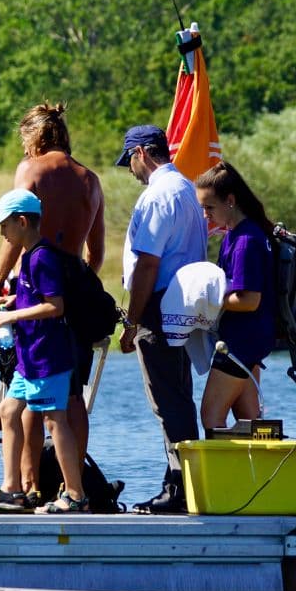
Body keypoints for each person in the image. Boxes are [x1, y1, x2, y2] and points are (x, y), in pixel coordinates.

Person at [0, 102, 105, 505]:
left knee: (36, 397)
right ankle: (75, 486)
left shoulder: (30, 171)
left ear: (34, 137)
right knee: (71, 397)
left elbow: (12, 236)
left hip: (37, 290)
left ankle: (30, 485)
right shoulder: (91, 179)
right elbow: (97, 252)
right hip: (78, 286)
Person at [0, 189, 86, 514]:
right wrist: (14, 301)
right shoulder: (28, 258)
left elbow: (54, 305)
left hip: (48, 357)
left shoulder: (42, 258)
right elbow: (34, 297)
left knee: (54, 420)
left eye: (5, 226)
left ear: (22, 222)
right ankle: (12, 489)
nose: (2, 233)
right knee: (9, 411)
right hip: (29, 358)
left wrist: (11, 315)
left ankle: (76, 495)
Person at [117, 125, 208, 514]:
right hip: (183, 303)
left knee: (166, 399)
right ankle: (186, 482)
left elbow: (148, 264)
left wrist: (132, 321)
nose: (131, 171)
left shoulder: (156, 195)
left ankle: (180, 488)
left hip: (158, 305)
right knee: (178, 395)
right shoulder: (187, 188)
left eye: (130, 162)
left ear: (141, 153)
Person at [193, 161, 276, 433]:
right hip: (246, 340)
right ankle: (265, 474)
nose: (206, 215)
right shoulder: (235, 235)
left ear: (230, 200)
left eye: (209, 207)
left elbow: (250, 300)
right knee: (251, 423)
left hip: (243, 342)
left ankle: (221, 476)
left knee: (211, 417)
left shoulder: (246, 240)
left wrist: (205, 300)